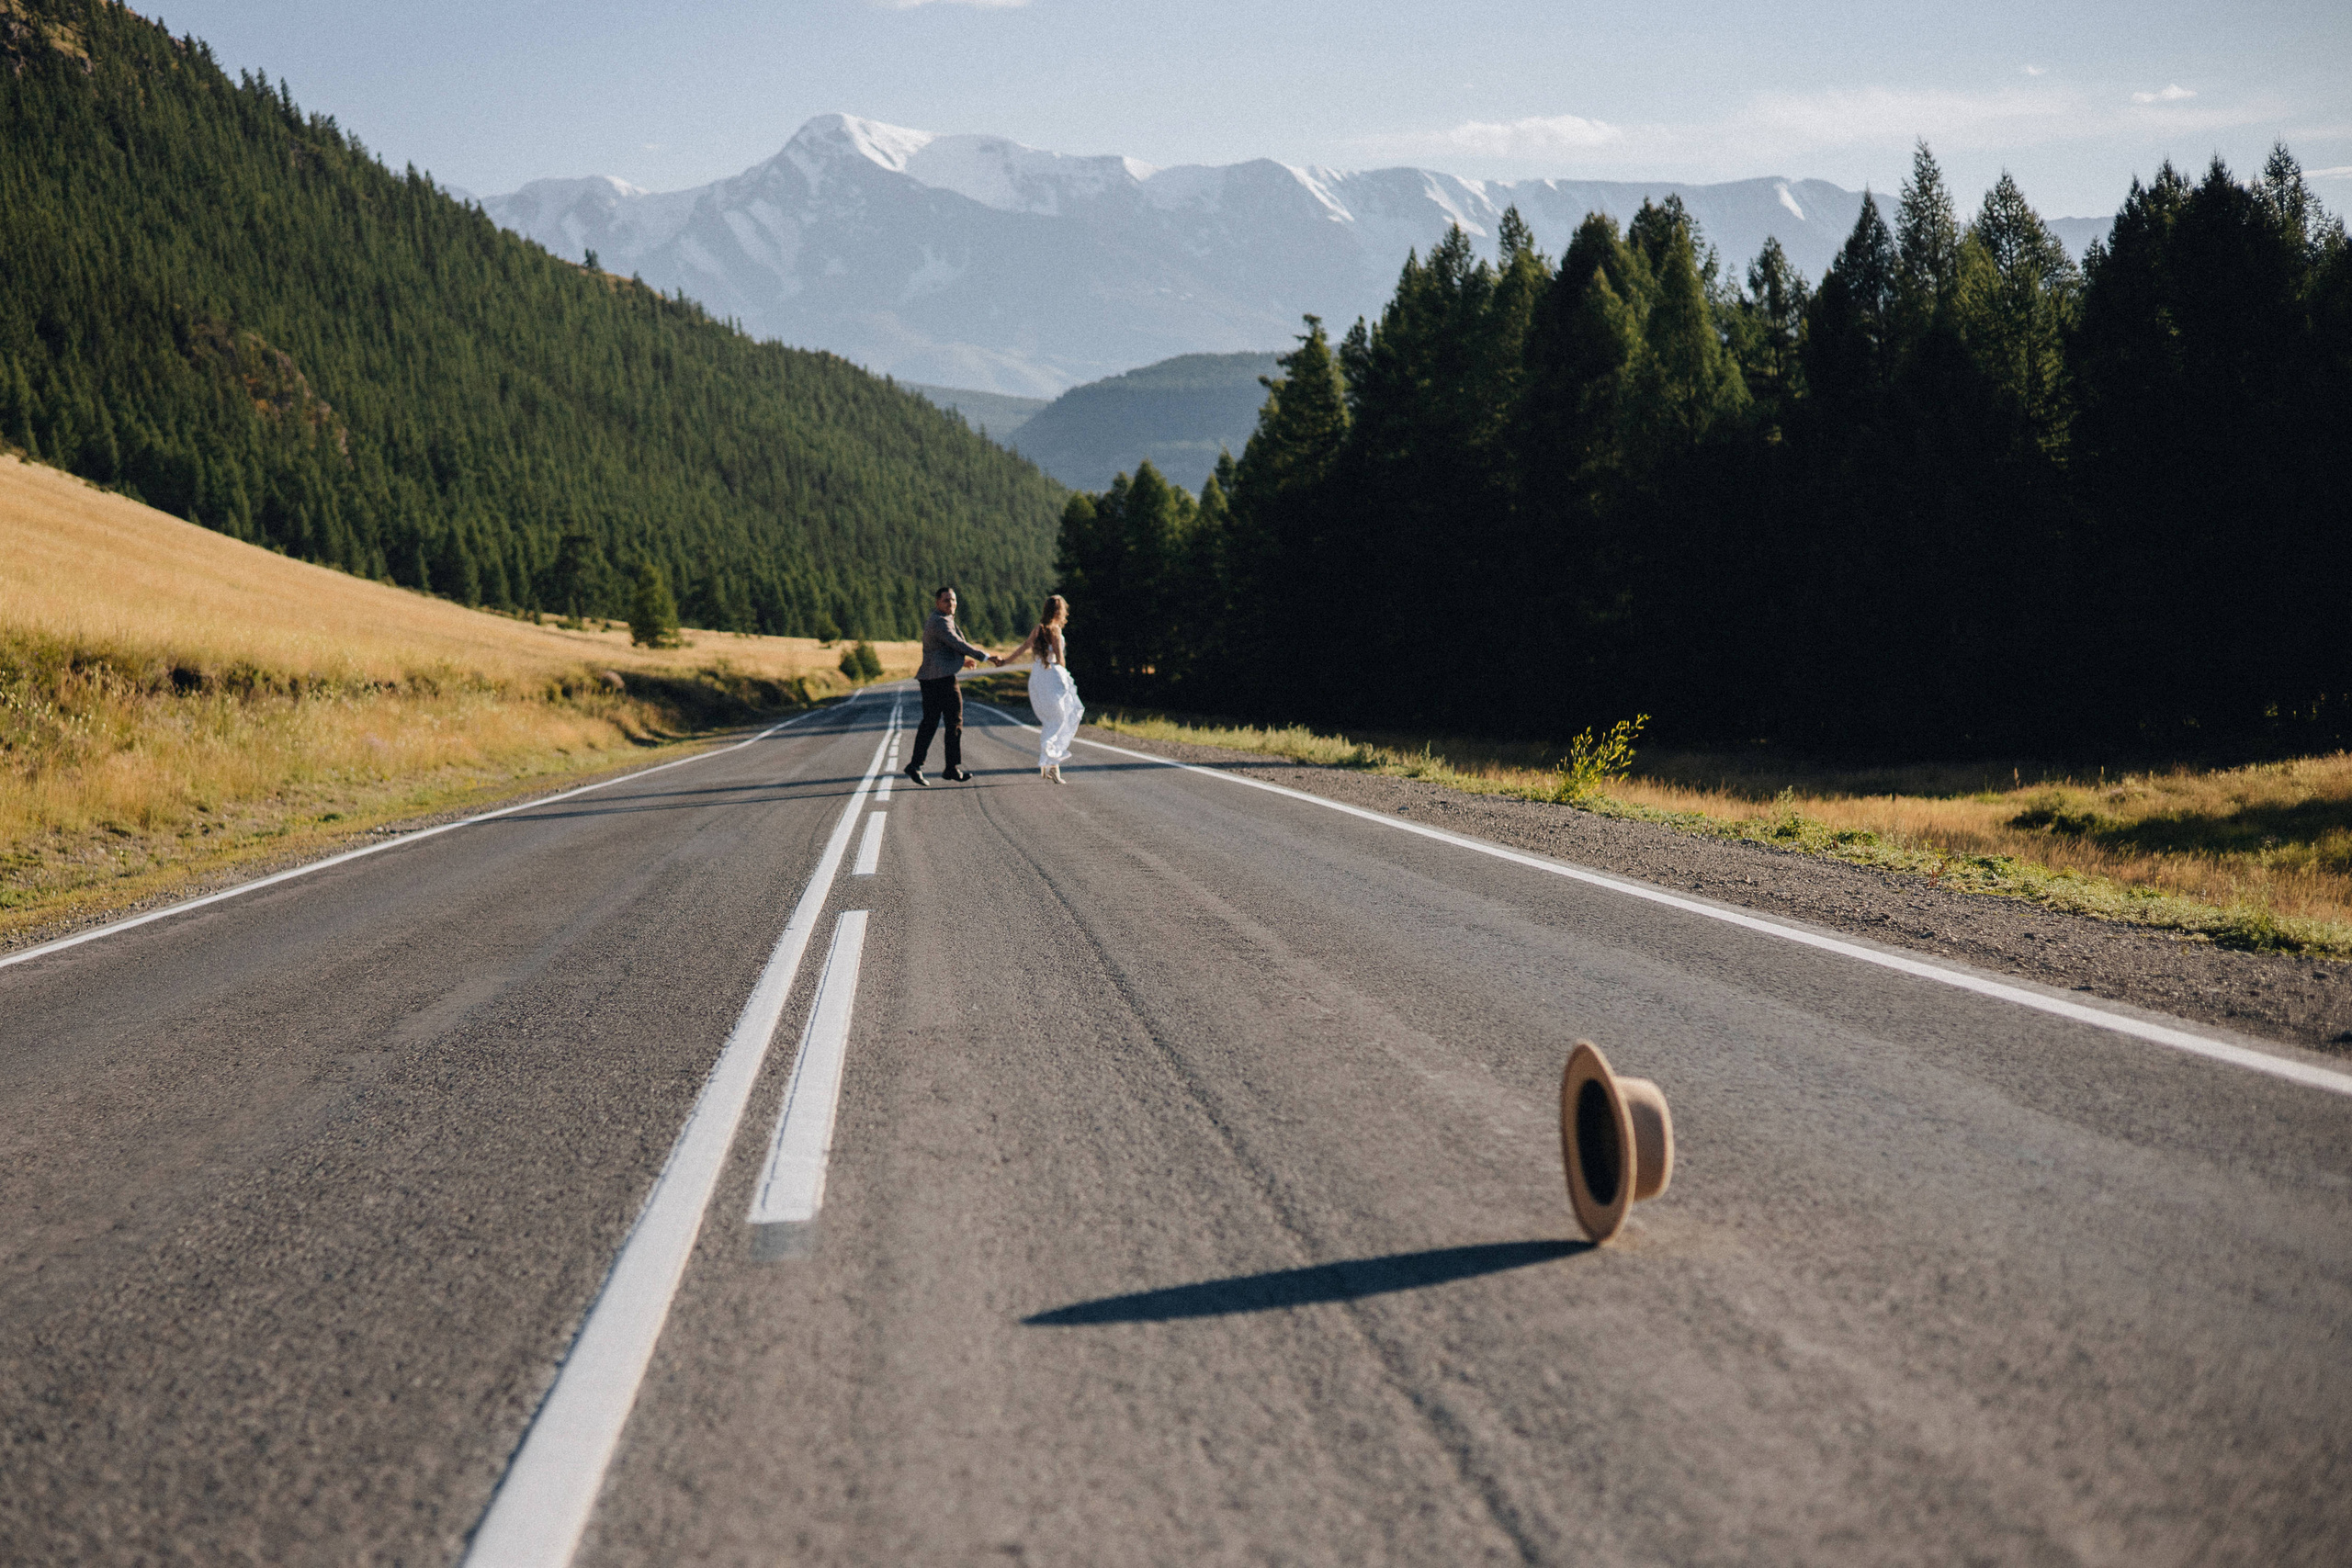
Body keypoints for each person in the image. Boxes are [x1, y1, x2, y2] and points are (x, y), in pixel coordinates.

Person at [905, 585, 992, 786]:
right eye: (946, 600)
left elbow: (941, 650)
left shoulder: (944, 620)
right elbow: (956, 643)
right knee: (952, 720)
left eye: (953, 600)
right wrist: (985, 656)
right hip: (940, 679)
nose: (951, 603)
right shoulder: (940, 622)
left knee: (932, 722)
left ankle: (918, 765)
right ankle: (949, 768)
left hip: (933, 679)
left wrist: (962, 662)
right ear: (937, 603)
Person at [997, 594, 1083, 783]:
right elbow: (1060, 659)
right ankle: (1051, 762)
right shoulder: (1056, 631)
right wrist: (1067, 679)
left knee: (1052, 719)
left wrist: (1005, 662)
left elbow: (1022, 648)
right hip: (1053, 676)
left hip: (1037, 677)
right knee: (1061, 718)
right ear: (1060, 612)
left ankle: (1051, 764)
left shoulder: (1038, 629)